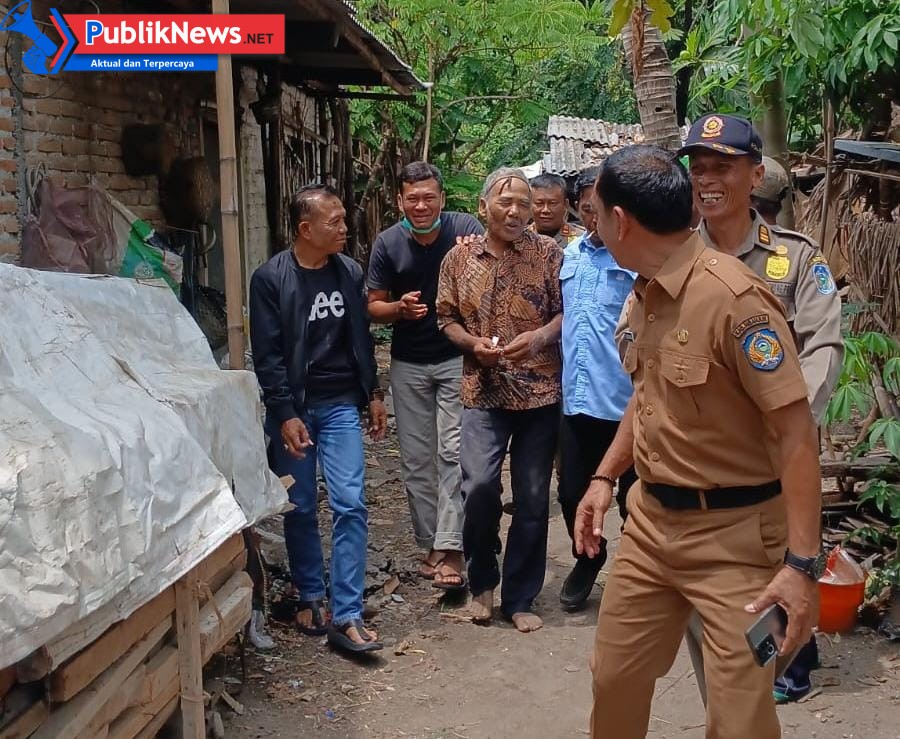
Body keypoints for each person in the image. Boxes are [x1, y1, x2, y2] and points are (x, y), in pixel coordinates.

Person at [575, 145, 823, 738]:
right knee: (613, 681)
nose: (593, 220)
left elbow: (796, 433)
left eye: (596, 210)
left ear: (621, 221)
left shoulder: (737, 304)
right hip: (651, 531)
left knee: (742, 718)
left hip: (740, 547)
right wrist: (605, 477)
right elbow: (649, 395)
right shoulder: (646, 292)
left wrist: (801, 565)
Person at [680, 114, 843, 704]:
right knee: (718, 586)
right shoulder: (672, 256)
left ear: (755, 175)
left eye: (722, 167)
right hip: (702, 457)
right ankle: (743, 684)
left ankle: (784, 669)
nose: (707, 180)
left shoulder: (797, 258)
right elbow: (634, 339)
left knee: (785, 561)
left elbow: (825, 344)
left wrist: (790, 419)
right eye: (698, 169)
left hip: (779, 455)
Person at [249, 184, 387, 655]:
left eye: (344, 219)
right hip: (296, 409)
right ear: (306, 229)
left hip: (340, 405)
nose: (345, 228)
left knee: (350, 503)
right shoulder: (271, 279)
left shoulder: (348, 271)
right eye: (335, 222)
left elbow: (360, 338)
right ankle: (311, 592)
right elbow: (267, 355)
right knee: (302, 504)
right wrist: (284, 412)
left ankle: (346, 610)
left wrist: (373, 392)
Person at [436, 167, 563, 633]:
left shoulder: (549, 254)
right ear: (482, 208)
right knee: (481, 486)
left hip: (540, 391)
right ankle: (482, 581)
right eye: (505, 201)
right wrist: (472, 346)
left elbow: (565, 315)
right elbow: (445, 317)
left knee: (532, 497)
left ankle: (520, 597)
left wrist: (538, 337)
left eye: (524, 203)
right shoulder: (459, 260)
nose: (515, 211)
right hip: (482, 390)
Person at [367, 161, 483, 591]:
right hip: (408, 362)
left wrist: (476, 252)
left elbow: (491, 267)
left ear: (442, 199)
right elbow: (372, 305)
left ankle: (452, 549)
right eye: (412, 198)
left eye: (428, 197)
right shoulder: (388, 243)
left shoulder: (464, 228)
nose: (421, 205)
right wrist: (398, 309)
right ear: (399, 201)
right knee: (416, 460)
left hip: (456, 357)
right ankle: (432, 542)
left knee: (453, 453)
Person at [557, 166, 637, 612]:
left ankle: (638, 576)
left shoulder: (634, 259)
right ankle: (588, 558)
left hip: (626, 404)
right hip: (578, 402)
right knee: (571, 493)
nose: (595, 215)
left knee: (634, 499)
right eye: (588, 206)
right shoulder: (570, 255)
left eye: (602, 206)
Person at [528, 173, 585, 248]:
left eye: (552, 203)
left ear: (566, 204)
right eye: (539, 203)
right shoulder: (518, 239)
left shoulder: (581, 240)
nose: (546, 210)